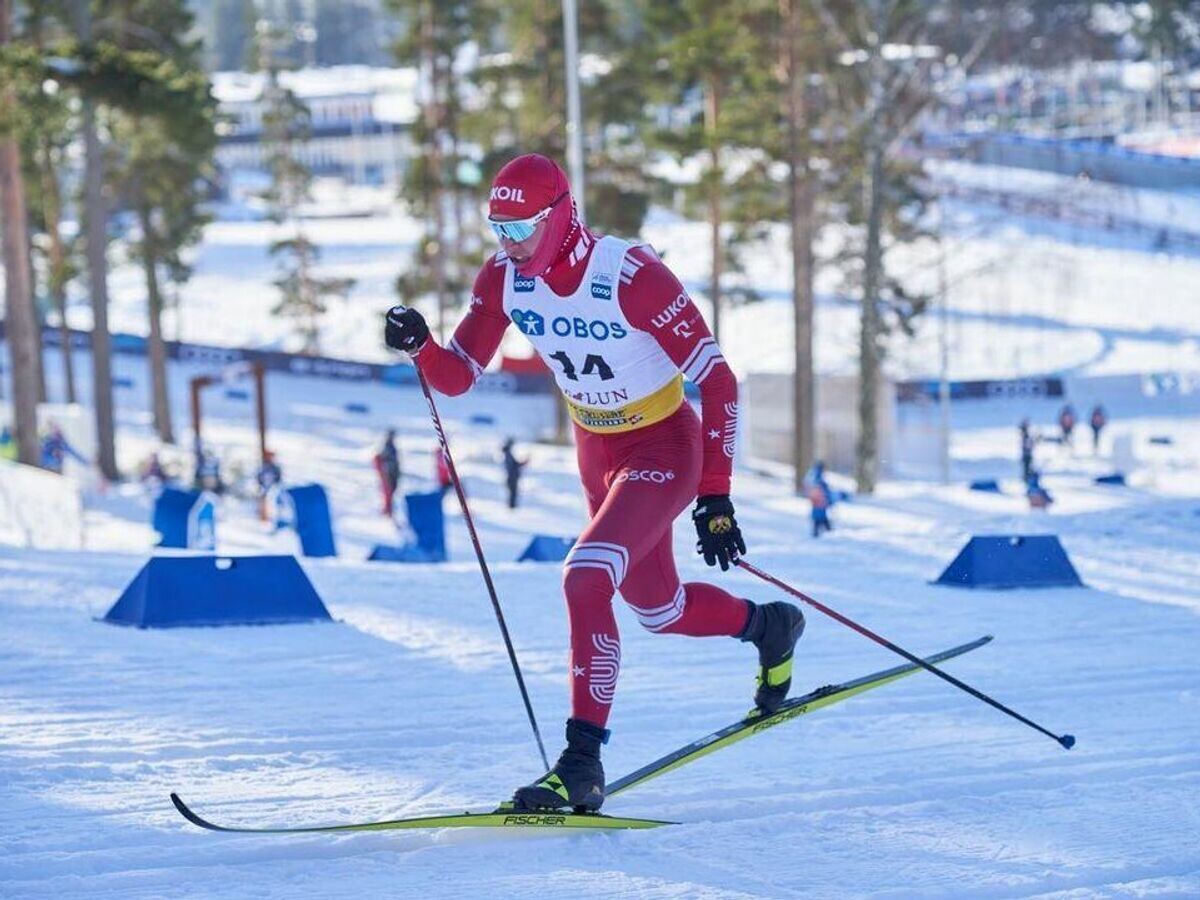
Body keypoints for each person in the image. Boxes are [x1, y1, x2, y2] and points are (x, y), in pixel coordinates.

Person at [384, 153, 804, 813]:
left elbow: (719, 379)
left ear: (560, 216)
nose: (509, 244)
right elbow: (459, 374)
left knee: (585, 576)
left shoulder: (630, 276)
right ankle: (769, 626)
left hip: (664, 443)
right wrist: (421, 346)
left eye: (521, 228)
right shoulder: (504, 278)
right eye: (499, 229)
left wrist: (715, 495)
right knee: (657, 610)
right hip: (596, 450)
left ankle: (581, 762)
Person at [374, 429, 403, 516]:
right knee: (388, 493)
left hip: (393, 474)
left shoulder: (391, 447)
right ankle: (388, 512)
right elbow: (384, 461)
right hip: (389, 474)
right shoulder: (387, 447)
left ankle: (390, 511)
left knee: (392, 493)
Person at [803, 460, 833, 538]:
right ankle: (824, 531)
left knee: (819, 516)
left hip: (816, 500)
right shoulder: (817, 477)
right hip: (819, 500)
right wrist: (828, 499)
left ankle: (820, 531)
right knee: (820, 516)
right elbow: (821, 488)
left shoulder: (812, 475)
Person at [502, 437, 527, 509]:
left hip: (512, 477)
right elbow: (512, 466)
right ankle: (511, 507)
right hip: (512, 477)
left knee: (513, 493)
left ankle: (512, 506)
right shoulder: (508, 454)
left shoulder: (508, 454)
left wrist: (522, 463)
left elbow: (514, 464)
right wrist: (521, 464)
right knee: (513, 493)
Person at [1019, 418, 1035, 483]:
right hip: (1026, 456)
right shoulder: (1025, 436)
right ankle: (1027, 480)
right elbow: (1027, 445)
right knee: (1027, 469)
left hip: (1027, 455)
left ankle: (1027, 480)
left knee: (1027, 469)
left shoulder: (1025, 435)